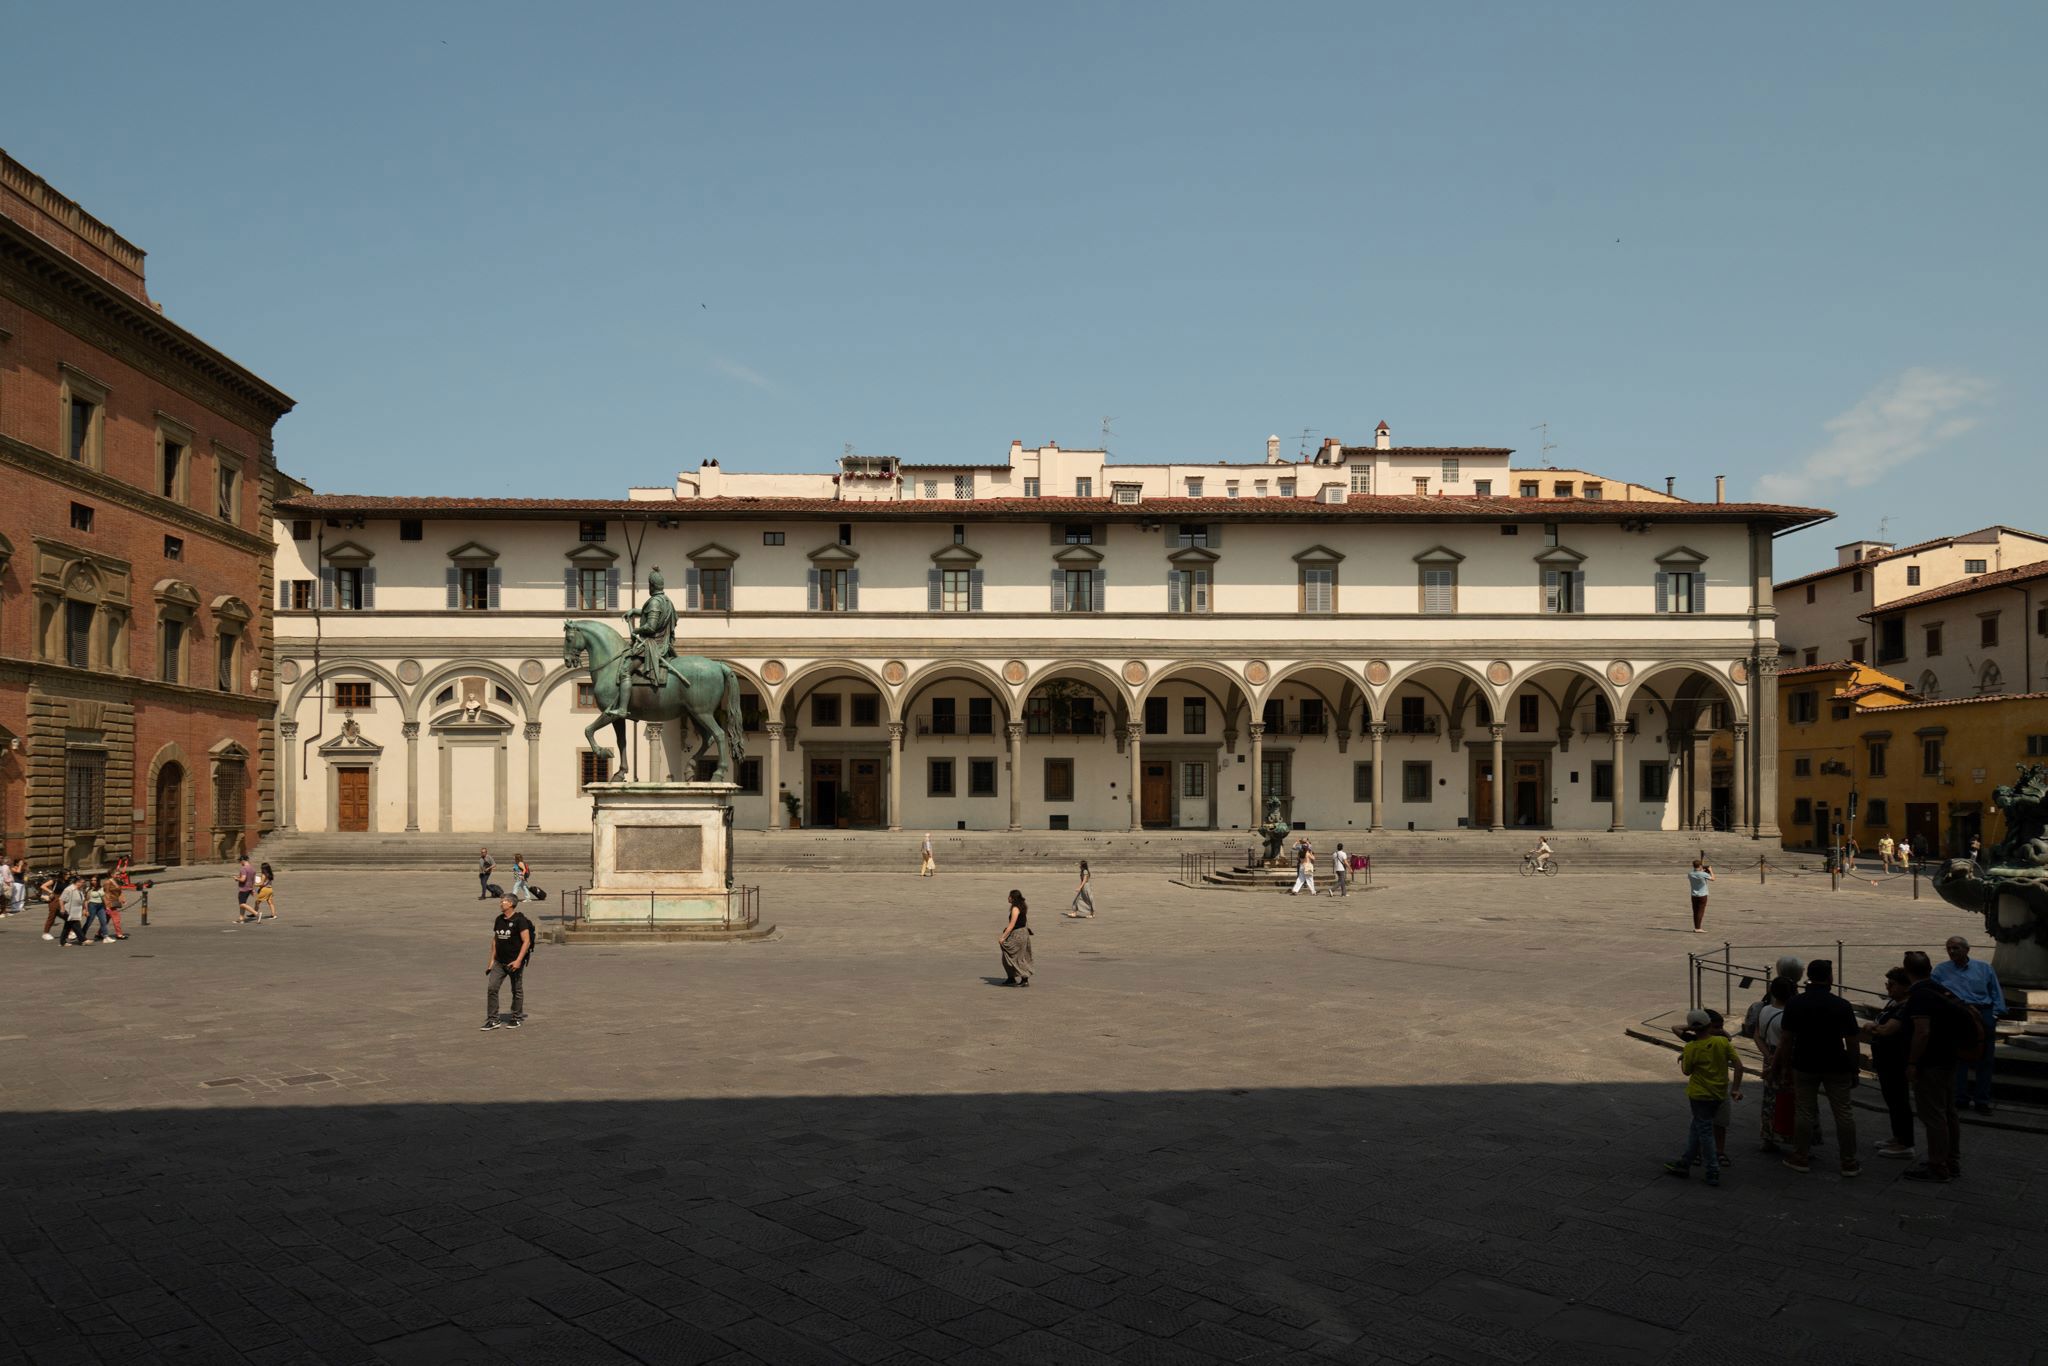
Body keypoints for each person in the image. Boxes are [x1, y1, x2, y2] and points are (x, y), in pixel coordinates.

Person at [1776, 959, 1861, 1177]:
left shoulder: (1796, 1003)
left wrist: (1785, 1067)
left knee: (1804, 1110)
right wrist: (1854, 1068)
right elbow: (1852, 1041)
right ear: (1830, 977)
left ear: (1809, 977)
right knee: (1843, 1112)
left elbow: (1786, 1039)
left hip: (1805, 1062)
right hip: (1836, 1063)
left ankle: (1800, 1156)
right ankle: (1849, 1161)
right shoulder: (1841, 1005)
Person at [1900, 949, 1969, 1183]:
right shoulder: (1940, 989)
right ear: (1929, 969)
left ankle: (1938, 1166)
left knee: (1934, 1115)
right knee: (1948, 1112)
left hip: (1931, 1063)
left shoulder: (1920, 996)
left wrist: (1912, 1062)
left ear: (1907, 972)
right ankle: (1952, 1160)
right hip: (1949, 1059)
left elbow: (1922, 1032)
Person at [1664, 1008, 1743, 1186]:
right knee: (1697, 1127)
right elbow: (1739, 1065)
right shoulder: (1722, 1042)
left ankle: (1712, 1169)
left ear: (1692, 1028)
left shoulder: (1691, 1047)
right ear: (1709, 1024)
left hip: (1699, 1095)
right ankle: (1685, 1162)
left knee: (1705, 1131)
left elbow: (1686, 1071)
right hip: (1718, 1093)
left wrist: (1686, 1057)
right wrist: (1735, 1089)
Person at [1933, 936, 2004, 1115]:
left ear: (1967, 949)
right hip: (1957, 1015)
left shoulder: (1984, 968)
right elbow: (1934, 993)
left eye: (1955, 948)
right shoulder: (1941, 970)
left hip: (1983, 1013)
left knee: (1985, 1059)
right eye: (1949, 948)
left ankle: (1982, 1100)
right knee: (1958, 1058)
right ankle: (1960, 1098)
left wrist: (1995, 1014)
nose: (1951, 951)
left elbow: (1995, 991)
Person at [1863, 967, 1917, 1160]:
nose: (1888, 988)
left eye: (1892, 984)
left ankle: (1906, 1143)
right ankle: (1898, 1137)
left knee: (1899, 1101)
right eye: (1887, 984)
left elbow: (1887, 1030)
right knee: (1892, 1100)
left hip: (1896, 1061)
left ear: (1905, 986)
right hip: (1886, 1059)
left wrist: (1872, 1027)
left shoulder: (1905, 1006)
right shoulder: (1894, 1002)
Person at [1754, 977, 1795, 1153]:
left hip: (1769, 1055)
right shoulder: (1791, 1015)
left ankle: (1767, 1137)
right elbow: (1786, 1042)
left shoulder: (1764, 1010)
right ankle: (1794, 1138)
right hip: (1788, 1060)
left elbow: (1757, 1035)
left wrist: (1768, 1056)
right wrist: (1779, 1062)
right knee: (1792, 1100)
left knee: (1770, 1098)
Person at [482, 895, 534, 1030]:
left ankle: (516, 1017)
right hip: (499, 962)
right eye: (501, 901)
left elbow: (526, 941)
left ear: (511, 904)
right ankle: (493, 1019)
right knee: (492, 988)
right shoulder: (499, 919)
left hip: (514, 962)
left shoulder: (520, 920)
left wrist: (518, 961)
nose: (501, 903)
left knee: (516, 989)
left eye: (503, 901)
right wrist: (491, 961)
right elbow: (495, 940)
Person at [998, 889, 1032, 987]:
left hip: (1018, 935)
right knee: (1009, 956)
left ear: (1013, 898)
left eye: (1009, 896)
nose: (1008, 898)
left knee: (1017, 957)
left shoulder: (1015, 909)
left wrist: (1002, 937)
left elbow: (1012, 925)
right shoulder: (1021, 906)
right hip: (1021, 933)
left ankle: (1024, 979)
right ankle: (1011, 978)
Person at [1687, 858, 1715, 933]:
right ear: (1700, 866)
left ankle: (1696, 927)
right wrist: (1711, 870)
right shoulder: (1703, 874)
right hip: (1702, 895)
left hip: (1694, 895)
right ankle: (1698, 928)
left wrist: (1701, 870)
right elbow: (1713, 879)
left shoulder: (1690, 874)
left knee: (1695, 911)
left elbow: (1696, 875)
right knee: (1700, 911)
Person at [82, 875, 112, 944]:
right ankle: (81, 935)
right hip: (92, 905)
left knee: (103, 921)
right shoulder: (88, 889)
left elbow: (104, 898)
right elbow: (86, 900)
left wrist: (107, 907)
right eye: (92, 880)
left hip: (101, 906)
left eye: (95, 880)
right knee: (89, 921)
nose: (93, 882)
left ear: (98, 881)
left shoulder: (101, 888)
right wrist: (86, 910)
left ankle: (106, 937)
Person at [234, 856, 256, 923]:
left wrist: (237, 879)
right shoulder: (252, 868)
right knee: (243, 903)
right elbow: (253, 880)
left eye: (240, 861)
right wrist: (253, 889)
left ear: (243, 860)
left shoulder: (243, 868)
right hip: (249, 888)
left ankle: (256, 913)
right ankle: (241, 918)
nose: (240, 863)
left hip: (244, 888)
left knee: (242, 904)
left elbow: (243, 879)